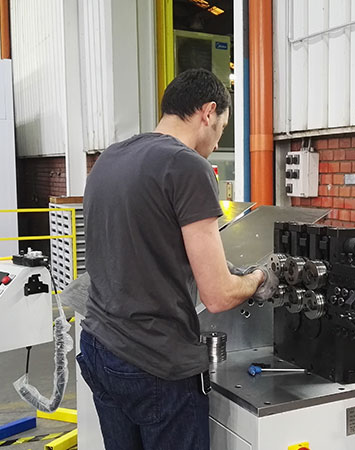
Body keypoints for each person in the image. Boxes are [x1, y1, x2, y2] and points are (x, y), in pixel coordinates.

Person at [76, 68, 277, 450]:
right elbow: (217, 296)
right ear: (208, 112)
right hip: (155, 366)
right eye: (222, 128)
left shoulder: (110, 158)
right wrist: (259, 279)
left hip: (100, 348)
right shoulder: (187, 165)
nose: (217, 142)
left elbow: (139, 243)